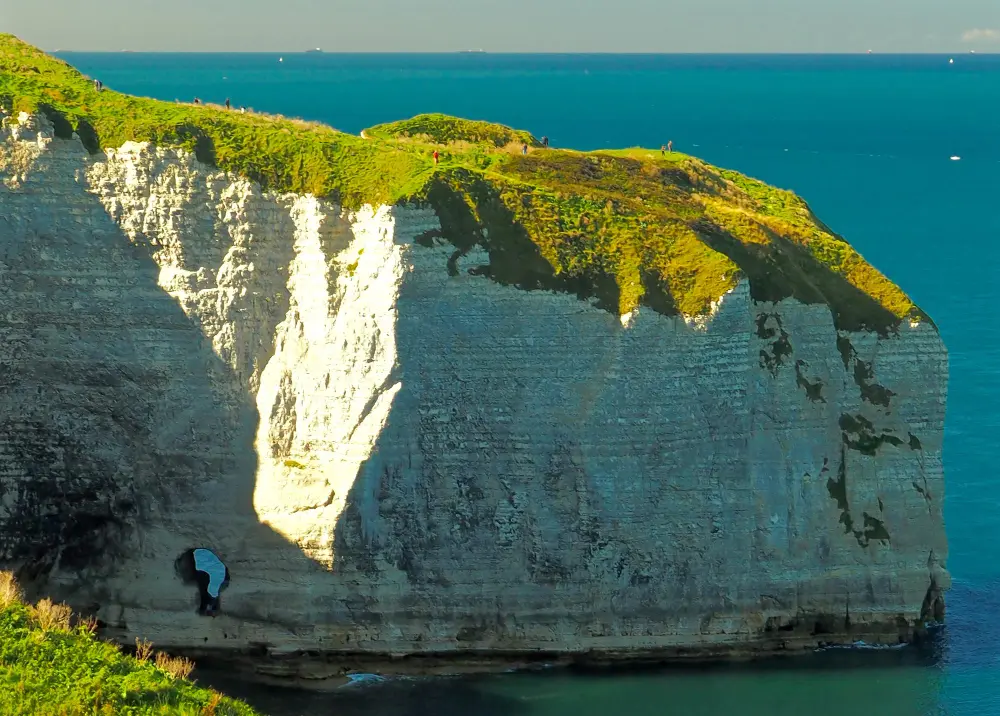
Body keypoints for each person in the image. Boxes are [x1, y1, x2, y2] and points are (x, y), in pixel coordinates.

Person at [175, 547, 230, 616]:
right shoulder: (202, 568)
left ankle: (213, 609)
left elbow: (205, 593)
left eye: (185, 571)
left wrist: (202, 609)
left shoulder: (202, 574)